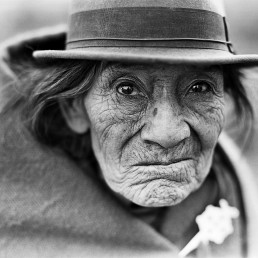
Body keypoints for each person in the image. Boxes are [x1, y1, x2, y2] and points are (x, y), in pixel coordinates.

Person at [0, 0, 258, 257]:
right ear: (73, 108)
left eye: (199, 88)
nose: (167, 133)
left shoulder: (235, 195)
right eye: (127, 89)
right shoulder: (12, 214)